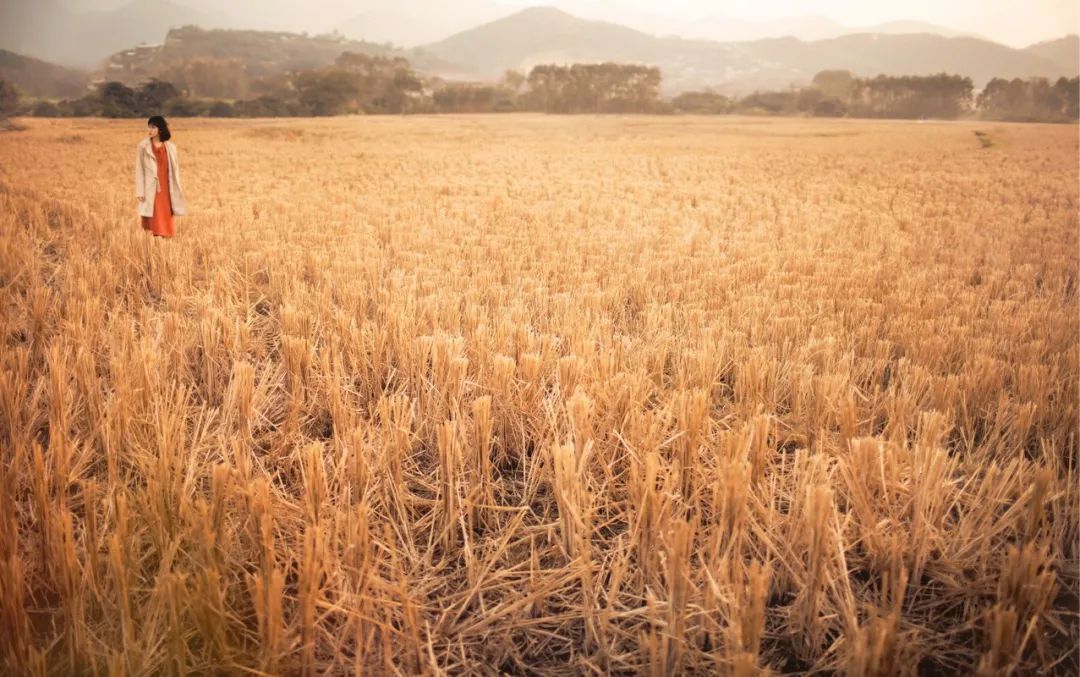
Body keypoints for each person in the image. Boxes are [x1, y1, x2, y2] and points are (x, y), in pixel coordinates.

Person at [135, 115, 187, 238]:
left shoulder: (171, 147)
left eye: (153, 127)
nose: (150, 130)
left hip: (167, 187)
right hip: (151, 187)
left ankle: (165, 243)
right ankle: (155, 242)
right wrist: (140, 191)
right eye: (149, 127)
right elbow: (139, 169)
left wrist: (177, 186)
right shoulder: (143, 146)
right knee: (153, 216)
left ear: (160, 129)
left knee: (166, 214)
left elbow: (175, 170)